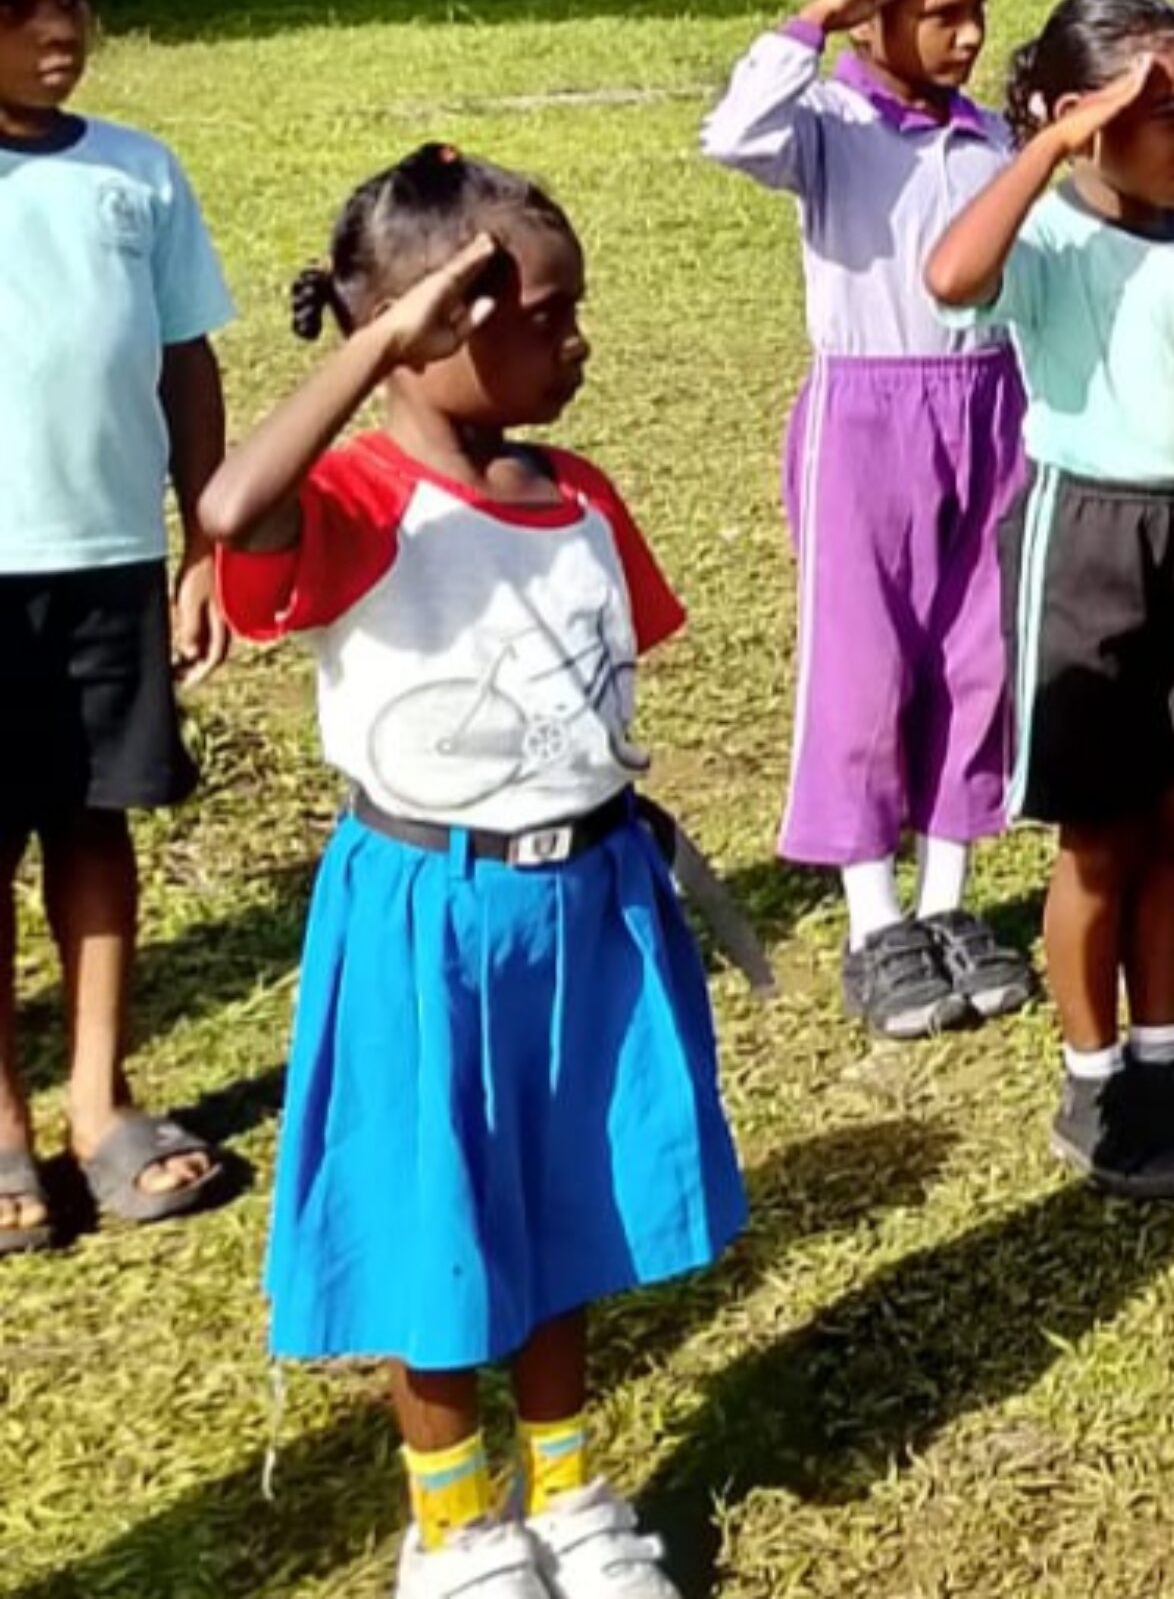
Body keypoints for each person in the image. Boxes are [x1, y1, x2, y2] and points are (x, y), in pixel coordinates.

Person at [199, 146, 736, 1599]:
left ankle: (563, 1492)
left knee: (568, 1208)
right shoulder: (359, 502)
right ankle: (457, 1528)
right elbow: (234, 513)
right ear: (437, 326)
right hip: (431, 923)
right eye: (544, 316)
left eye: (575, 311)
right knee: (437, 1229)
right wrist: (374, 346)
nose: (577, 342)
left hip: (589, 907)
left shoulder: (577, 494)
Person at [924, 0, 1174, 1202]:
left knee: (1170, 823)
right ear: (1082, 120)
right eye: (1159, 113)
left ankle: (1163, 1055)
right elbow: (950, 273)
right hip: (1084, 538)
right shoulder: (1049, 244)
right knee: (1098, 835)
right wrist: (1048, 145)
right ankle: (1093, 1082)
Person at [699, 0, 1037, 1042]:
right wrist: (820, 18)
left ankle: (949, 903)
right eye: (941, 14)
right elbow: (732, 133)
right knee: (866, 663)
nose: (969, 35)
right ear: (870, 15)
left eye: (977, 10)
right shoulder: (827, 129)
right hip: (868, 416)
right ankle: (874, 918)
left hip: (993, 402)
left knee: (978, 657)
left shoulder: (985, 133)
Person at [0, 0, 232, 1253]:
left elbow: (183, 360)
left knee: (96, 827)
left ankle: (100, 1102)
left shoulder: (135, 171)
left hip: (102, 562)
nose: (54, 22)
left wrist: (203, 542)